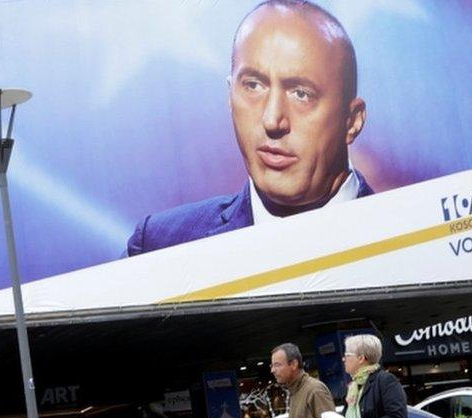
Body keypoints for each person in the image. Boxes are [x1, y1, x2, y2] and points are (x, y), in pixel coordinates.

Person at [127, 0, 372, 256]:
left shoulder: (412, 245)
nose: (272, 120)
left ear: (352, 121)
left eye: (301, 94)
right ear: (229, 95)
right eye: (253, 86)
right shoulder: (159, 246)